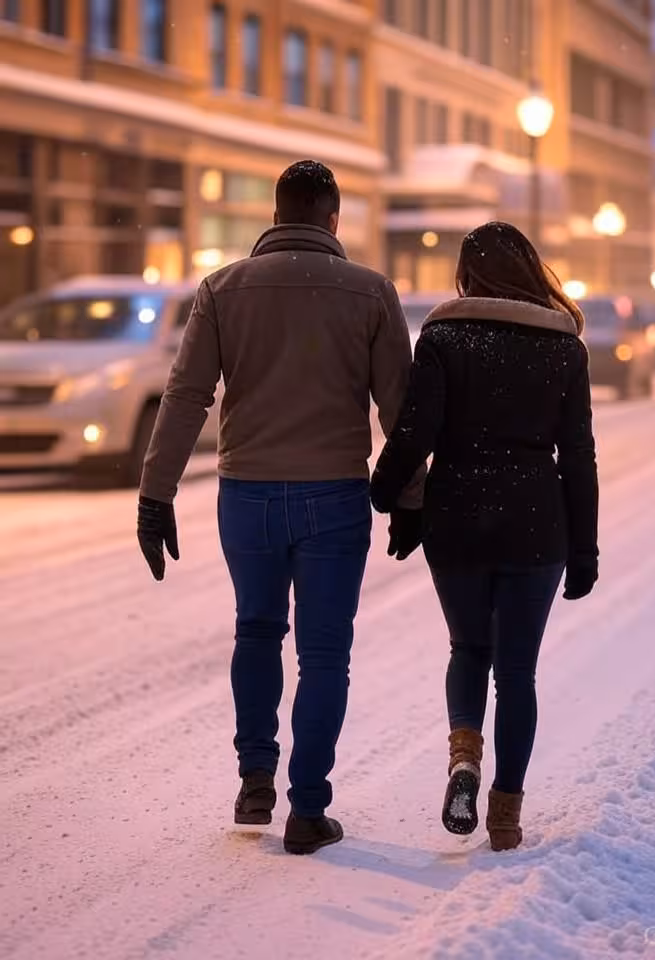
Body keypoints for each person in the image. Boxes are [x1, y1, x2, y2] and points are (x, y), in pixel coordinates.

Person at [137, 160, 424, 855]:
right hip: (334, 493)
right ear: (332, 219)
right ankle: (307, 809)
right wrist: (411, 500)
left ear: (274, 216)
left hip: (249, 494)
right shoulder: (370, 292)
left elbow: (186, 398)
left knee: (257, 632)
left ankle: (255, 775)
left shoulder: (223, 288)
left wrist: (156, 493)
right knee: (325, 652)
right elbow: (399, 409)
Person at [370, 222, 599, 851]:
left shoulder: (444, 336)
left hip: (458, 517)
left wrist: (386, 495)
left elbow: (416, 432)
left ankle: (464, 757)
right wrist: (585, 549)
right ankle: (505, 815)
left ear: (467, 274)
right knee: (517, 673)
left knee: (468, 649)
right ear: (531, 270)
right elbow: (578, 456)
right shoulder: (564, 350)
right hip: (536, 521)